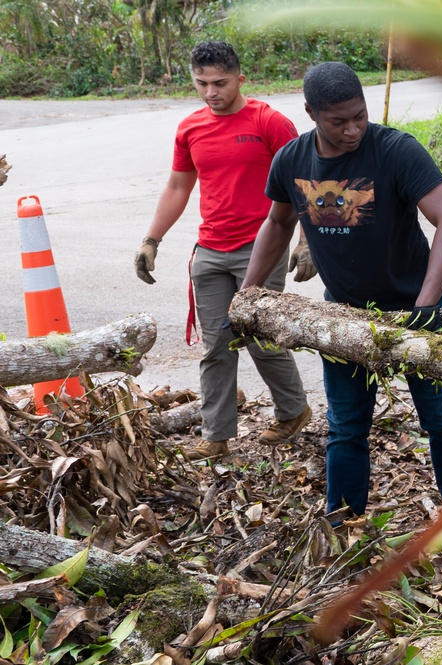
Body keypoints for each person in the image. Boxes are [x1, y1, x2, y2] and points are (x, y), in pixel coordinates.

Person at [240, 61, 442, 559]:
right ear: (311, 113)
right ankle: (343, 532)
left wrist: (424, 308)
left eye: (359, 116)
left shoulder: (396, 151)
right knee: (346, 427)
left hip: (416, 310)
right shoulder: (291, 160)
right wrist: (248, 294)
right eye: (339, 121)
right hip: (344, 317)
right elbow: (276, 225)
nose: (353, 129)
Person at [134, 41, 314, 461]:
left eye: (220, 83)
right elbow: (179, 187)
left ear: (239, 79)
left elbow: (304, 182)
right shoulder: (190, 128)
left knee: (258, 337)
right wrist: (151, 239)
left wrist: (308, 241)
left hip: (261, 246)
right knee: (216, 344)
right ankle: (216, 436)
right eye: (202, 83)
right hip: (210, 249)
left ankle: (293, 410)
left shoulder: (270, 122)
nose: (211, 92)